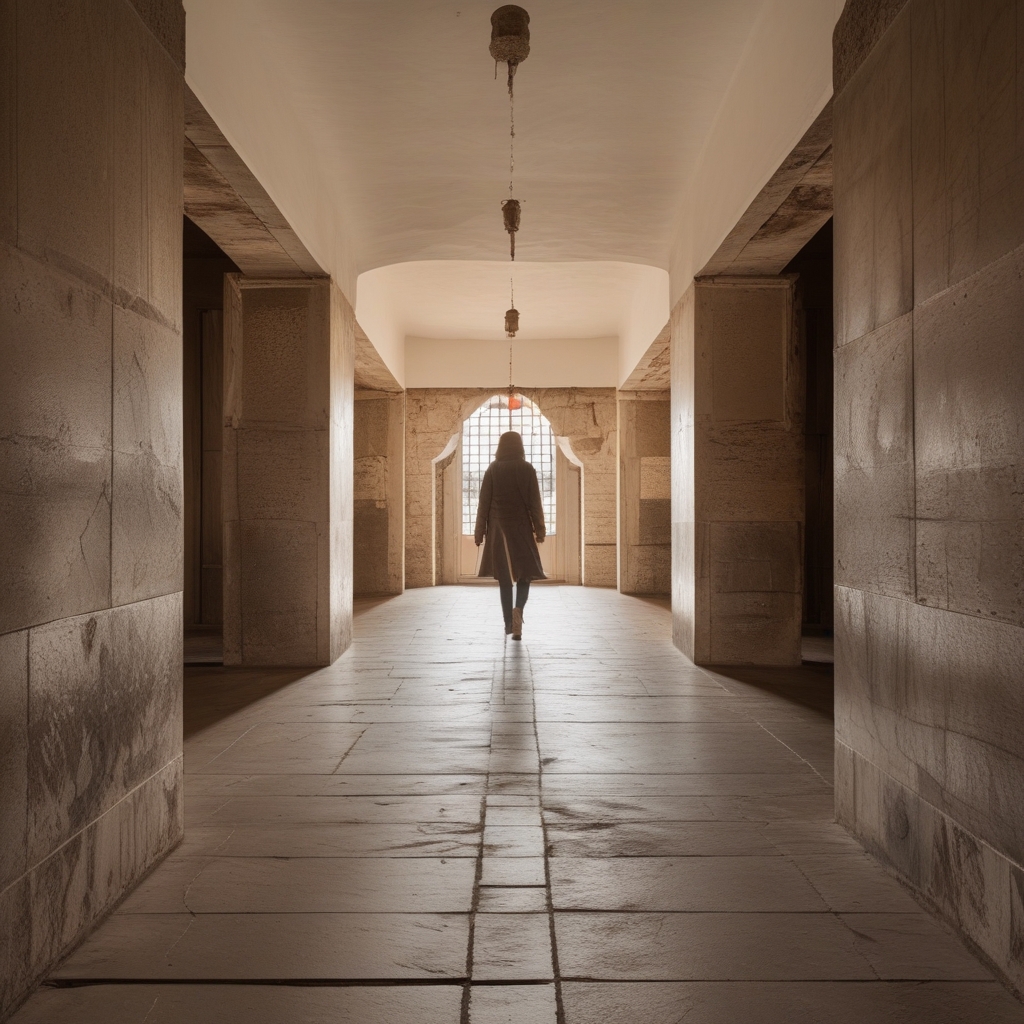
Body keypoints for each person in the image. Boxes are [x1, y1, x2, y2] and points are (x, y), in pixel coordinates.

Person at [474, 430, 546, 640]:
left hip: (499, 531)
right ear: (520, 446)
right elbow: (535, 504)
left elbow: (483, 504)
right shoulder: (527, 469)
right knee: (524, 575)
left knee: (505, 580)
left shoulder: (492, 470)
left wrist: (479, 532)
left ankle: (507, 623)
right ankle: (518, 612)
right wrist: (540, 530)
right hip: (521, 529)